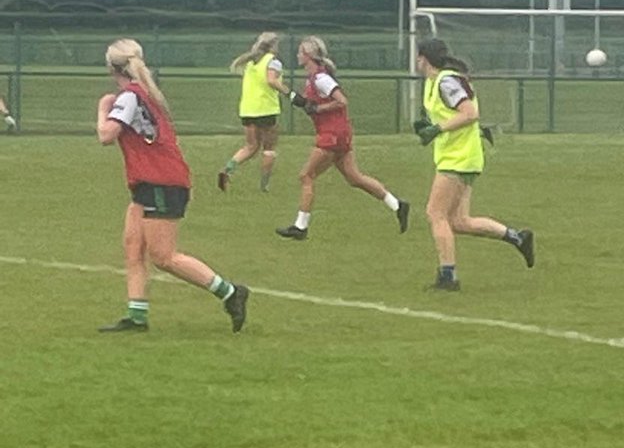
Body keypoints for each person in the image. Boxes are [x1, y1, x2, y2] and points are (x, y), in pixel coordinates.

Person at [97, 38, 249, 334]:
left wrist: (102, 108)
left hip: (161, 181)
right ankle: (137, 316)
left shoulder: (130, 96)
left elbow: (106, 135)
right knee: (133, 246)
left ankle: (231, 292)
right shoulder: (144, 93)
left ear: (111, 67)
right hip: (148, 180)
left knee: (164, 257)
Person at [414, 37, 533, 291]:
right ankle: (518, 237)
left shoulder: (446, 81)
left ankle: (448, 277)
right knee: (458, 221)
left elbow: (470, 113)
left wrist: (437, 128)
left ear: (423, 58)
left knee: (435, 214)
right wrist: (428, 125)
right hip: (460, 155)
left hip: (459, 157)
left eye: (418, 56)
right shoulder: (434, 82)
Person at [275, 36, 409, 241]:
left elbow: (341, 101)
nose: (297, 55)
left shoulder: (321, 78)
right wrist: (293, 96)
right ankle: (397, 205)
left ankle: (300, 227)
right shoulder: (314, 78)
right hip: (339, 132)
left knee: (306, 176)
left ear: (309, 55)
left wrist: (319, 108)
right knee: (355, 178)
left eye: (301, 52)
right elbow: (310, 103)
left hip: (332, 134)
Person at [218, 32, 291, 192]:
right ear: (272, 46)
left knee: (251, 146)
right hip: (266, 109)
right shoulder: (272, 62)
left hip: (247, 109)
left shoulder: (250, 63)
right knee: (269, 148)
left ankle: (227, 169)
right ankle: (264, 186)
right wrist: (288, 93)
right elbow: (271, 81)